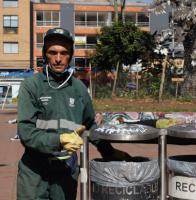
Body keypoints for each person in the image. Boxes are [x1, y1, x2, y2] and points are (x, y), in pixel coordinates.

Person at [17, 27, 130, 200]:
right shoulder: (31, 86)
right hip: (34, 171)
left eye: (64, 53)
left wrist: (108, 151)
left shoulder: (79, 89)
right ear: (44, 54)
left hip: (66, 170)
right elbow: (26, 131)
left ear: (70, 55)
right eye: (52, 52)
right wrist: (59, 140)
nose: (58, 59)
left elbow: (90, 124)